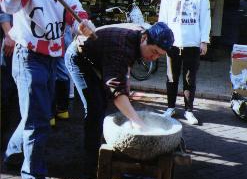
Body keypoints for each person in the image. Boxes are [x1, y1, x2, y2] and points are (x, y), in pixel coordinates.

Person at [1, 0, 94, 179]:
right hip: (28, 57)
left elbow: (77, 15)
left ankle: (12, 154)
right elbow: (8, 4)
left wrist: (84, 28)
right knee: (38, 119)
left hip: (53, 59)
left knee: (37, 114)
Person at [64, 22, 174, 166]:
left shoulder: (140, 36)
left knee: (103, 102)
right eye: (154, 51)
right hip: (79, 57)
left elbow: (124, 70)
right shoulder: (121, 47)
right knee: (95, 107)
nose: (154, 58)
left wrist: (126, 93)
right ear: (144, 38)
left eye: (159, 55)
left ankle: (98, 142)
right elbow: (116, 91)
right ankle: (92, 161)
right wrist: (138, 122)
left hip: (100, 57)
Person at [0, 0, 52, 138]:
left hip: (35, 46)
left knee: (28, 98)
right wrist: (8, 34)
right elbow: (4, 9)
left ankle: (17, 137)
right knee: (6, 89)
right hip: (13, 41)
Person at [158, 0, 211, 125]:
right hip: (172, 44)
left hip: (192, 44)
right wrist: (161, 40)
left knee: (190, 80)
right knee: (171, 77)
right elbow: (163, 19)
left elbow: (205, 19)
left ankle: (189, 110)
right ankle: (170, 107)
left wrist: (204, 41)